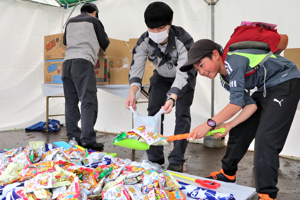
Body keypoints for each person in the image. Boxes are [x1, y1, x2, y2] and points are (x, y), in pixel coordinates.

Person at [180, 39, 300, 200]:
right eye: (197, 69)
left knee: (266, 140)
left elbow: (235, 104)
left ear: (215, 55)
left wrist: (208, 124)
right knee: (240, 130)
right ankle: (228, 174)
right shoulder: (225, 79)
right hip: (266, 87)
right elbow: (250, 106)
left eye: (201, 65)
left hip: (286, 81)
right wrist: (229, 125)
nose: (201, 72)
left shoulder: (233, 61)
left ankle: (267, 194)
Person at [125, 1, 197, 172]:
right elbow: (136, 67)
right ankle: (155, 157)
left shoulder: (184, 39)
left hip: (184, 78)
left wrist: (172, 97)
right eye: (152, 29)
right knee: (154, 113)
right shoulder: (144, 40)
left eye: (160, 28)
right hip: (161, 77)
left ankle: (177, 158)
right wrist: (132, 93)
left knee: (182, 114)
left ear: (170, 23)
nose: (156, 33)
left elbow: (184, 72)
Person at [62, 2, 110, 151]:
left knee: (71, 101)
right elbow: (105, 42)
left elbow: (65, 42)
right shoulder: (94, 21)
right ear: (95, 12)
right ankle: (88, 139)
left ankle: (73, 137)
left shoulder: (69, 22)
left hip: (66, 63)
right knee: (88, 100)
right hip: (82, 62)